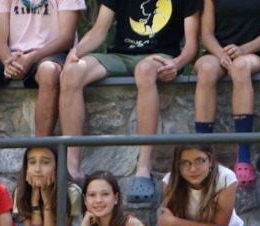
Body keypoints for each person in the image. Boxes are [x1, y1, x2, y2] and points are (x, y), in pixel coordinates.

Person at [58, 0, 200, 201]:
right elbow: (99, 31)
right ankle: (73, 170)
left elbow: (192, 46)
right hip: (119, 56)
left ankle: (143, 169)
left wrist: (176, 64)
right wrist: (75, 53)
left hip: (158, 58)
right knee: (72, 72)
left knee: (144, 69)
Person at [0, 0, 79, 141]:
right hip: (13, 56)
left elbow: (67, 38)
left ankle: (40, 152)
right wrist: (8, 62)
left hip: (49, 53)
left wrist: (32, 57)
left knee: (49, 72)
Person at [192, 0, 260, 188]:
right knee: (206, 69)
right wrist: (221, 54)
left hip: (255, 54)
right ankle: (201, 153)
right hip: (218, 54)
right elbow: (207, 34)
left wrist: (243, 50)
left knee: (240, 66)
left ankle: (243, 156)